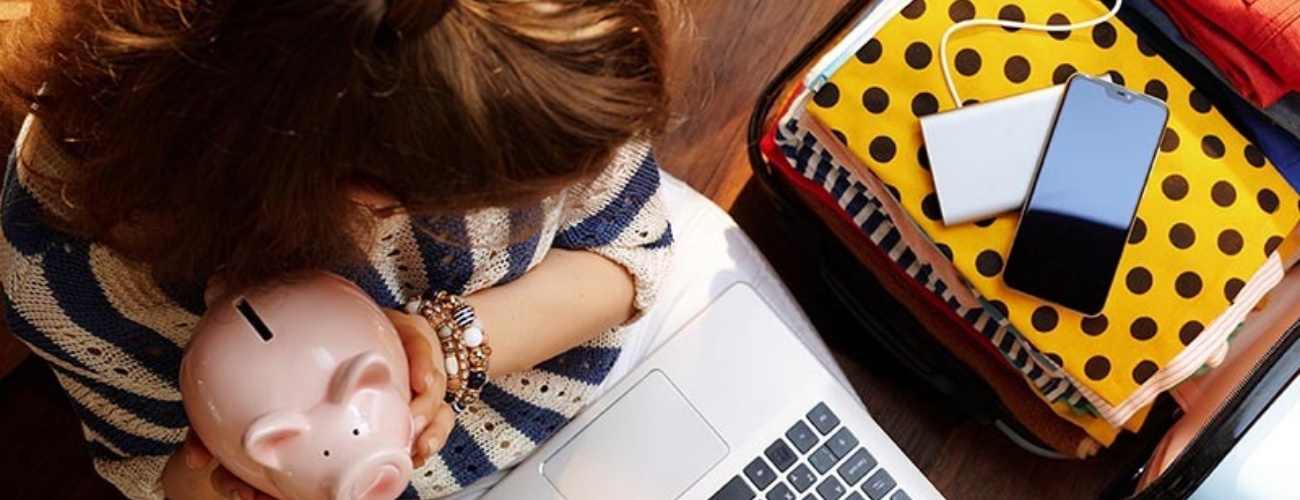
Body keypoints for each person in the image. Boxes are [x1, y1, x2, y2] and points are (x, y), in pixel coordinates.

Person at [0, 0, 674, 498]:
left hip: (590, 386)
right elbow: (153, 475)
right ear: (371, 193)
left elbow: (630, 252)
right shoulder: (70, 271)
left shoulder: (533, 71)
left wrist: (448, 344)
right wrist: (237, 478)